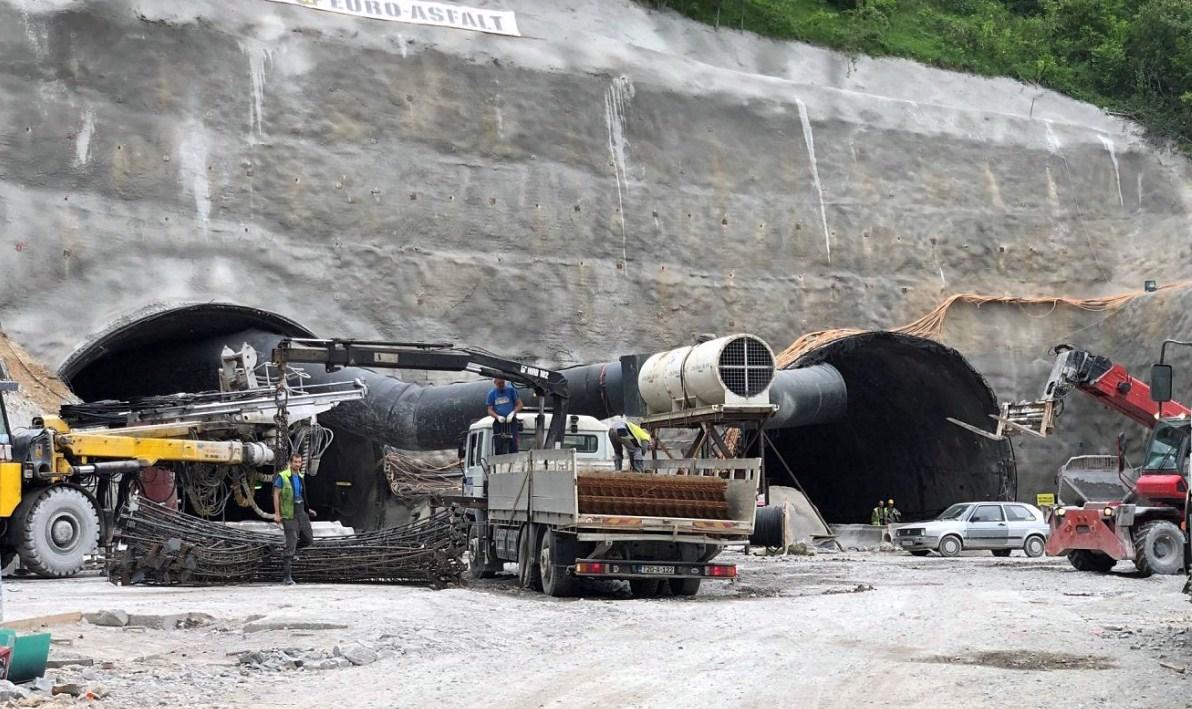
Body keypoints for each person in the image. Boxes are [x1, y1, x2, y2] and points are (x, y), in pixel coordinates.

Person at [273, 453, 316, 585]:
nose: (297, 464)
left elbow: (301, 495)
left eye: (299, 462)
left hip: (301, 510)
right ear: (290, 463)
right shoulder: (283, 476)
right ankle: (287, 577)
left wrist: (308, 510)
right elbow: (276, 494)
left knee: (308, 539)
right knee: (291, 541)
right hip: (288, 513)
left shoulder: (301, 477)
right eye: (295, 462)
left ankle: (291, 551)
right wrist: (277, 513)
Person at [486, 377, 524, 455]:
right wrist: (497, 417)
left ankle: (513, 458)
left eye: (503, 383)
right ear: (495, 383)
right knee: (499, 444)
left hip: (511, 420)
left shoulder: (511, 391)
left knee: (513, 443)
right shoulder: (491, 394)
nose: (501, 385)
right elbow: (490, 410)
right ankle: (499, 459)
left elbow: (520, 404)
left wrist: (513, 413)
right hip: (499, 422)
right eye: (499, 383)